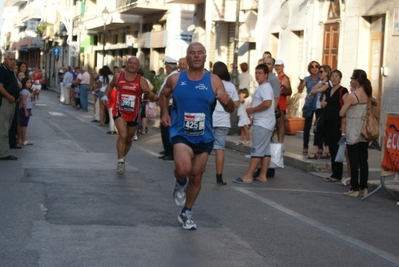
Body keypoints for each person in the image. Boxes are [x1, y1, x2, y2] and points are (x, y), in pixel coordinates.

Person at [159, 42, 234, 230]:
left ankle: (187, 212)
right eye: (192, 53)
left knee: (196, 177)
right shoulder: (176, 79)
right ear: (187, 57)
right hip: (180, 132)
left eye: (200, 53)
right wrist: (165, 113)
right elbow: (163, 96)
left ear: (205, 57)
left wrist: (228, 102)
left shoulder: (214, 80)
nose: (196, 56)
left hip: (204, 135)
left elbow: (230, 107)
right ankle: (179, 181)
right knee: (184, 169)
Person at [101, 56, 156, 175]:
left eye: (135, 64)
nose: (132, 65)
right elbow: (110, 86)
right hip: (119, 110)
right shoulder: (118, 76)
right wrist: (105, 96)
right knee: (123, 135)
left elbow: (151, 97)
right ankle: (120, 162)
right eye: (130, 63)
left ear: (138, 67)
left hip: (134, 113)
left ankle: (122, 156)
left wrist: (148, 93)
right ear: (127, 64)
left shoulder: (141, 80)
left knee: (129, 139)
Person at [233, 63, 275, 184]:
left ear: (266, 74)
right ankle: (262, 175)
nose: (257, 75)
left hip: (263, 123)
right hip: (265, 121)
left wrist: (252, 110)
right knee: (265, 150)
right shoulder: (263, 87)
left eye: (260, 73)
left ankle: (249, 175)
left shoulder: (265, 87)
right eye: (256, 73)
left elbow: (267, 103)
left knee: (257, 149)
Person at [339, 69, 372, 197]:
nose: (351, 80)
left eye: (352, 78)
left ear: (356, 80)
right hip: (364, 128)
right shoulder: (369, 94)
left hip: (353, 127)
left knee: (353, 159)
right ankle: (364, 187)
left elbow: (341, 112)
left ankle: (354, 188)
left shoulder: (352, 96)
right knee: (363, 160)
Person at [212, 61, 239, 185]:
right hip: (223, 120)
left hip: (210, 119)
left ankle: (197, 174)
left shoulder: (211, 83)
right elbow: (236, 103)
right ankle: (219, 178)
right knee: (220, 149)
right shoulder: (231, 86)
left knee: (202, 148)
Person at [321, 70, 348, 183]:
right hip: (327, 121)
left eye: (337, 76)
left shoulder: (343, 90)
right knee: (331, 148)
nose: (334, 78)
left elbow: (346, 107)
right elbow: (323, 103)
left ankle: (337, 174)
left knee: (337, 148)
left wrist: (343, 125)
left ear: (340, 78)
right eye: (332, 76)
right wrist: (323, 104)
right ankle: (334, 173)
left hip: (337, 122)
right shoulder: (328, 90)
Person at [307, 65, 332, 159]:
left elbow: (321, 90)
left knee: (320, 129)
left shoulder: (329, 83)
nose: (319, 73)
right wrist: (320, 84)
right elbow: (313, 88)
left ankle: (317, 150)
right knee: (319, 129)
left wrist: (313, 92)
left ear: (326, 72)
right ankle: (325, 151)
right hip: (318, 108)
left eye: (321, 72)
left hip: (323, 108)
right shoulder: (322, 82)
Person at [0, 51, 20, 160]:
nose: (12, 61)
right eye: (10, 59)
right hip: (5, 102)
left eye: (14, 59)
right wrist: (9, 96)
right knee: (3, 128)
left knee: (6, 127)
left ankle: (4, 150)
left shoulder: (10, 71)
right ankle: (3, 153)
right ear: (5, 59)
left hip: (12, 103)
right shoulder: (2, 70)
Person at [297, 61, 321, 155]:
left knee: (319, 126)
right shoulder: (307, 79)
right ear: (309, 68)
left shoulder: (321, 78)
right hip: (309, 104)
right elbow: (299, 90)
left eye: (316, 66)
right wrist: (302, 84)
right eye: (312, 66)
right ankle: (305, 146)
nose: (314, 68)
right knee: (307, 126)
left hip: (318, 104)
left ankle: (319, 146)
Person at [158, 58, 179, 160]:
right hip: (165, 106)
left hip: (170, 106)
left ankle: (170, 152)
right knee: (164, 130)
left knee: (167, 130)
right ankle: (167, 151)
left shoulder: (174, 77)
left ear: (168, 67)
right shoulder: (170, 76)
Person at [274, 60, 292, 144]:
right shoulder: (276, 77)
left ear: (283, 67)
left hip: (281, 103)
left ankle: (280, 143)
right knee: (276, 124)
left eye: (279, 66)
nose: (277, 67)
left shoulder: (284, 78)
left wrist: (280, 92)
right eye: (276, 66)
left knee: (280, 123)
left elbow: (289, 91)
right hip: (275, 102)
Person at [18, 77, 33, 146]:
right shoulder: (24, 91)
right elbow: (23, 101)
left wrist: (30, 110)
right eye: (27, 82)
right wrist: (26, 111)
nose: (29, 84)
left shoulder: (26, 91)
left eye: (30, 82)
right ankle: (23, 140)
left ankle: (21, 139)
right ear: (24, 83)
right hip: (25, 109)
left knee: (23, 124)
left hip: (27, 108)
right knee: (24, 125)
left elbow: (28, 102)